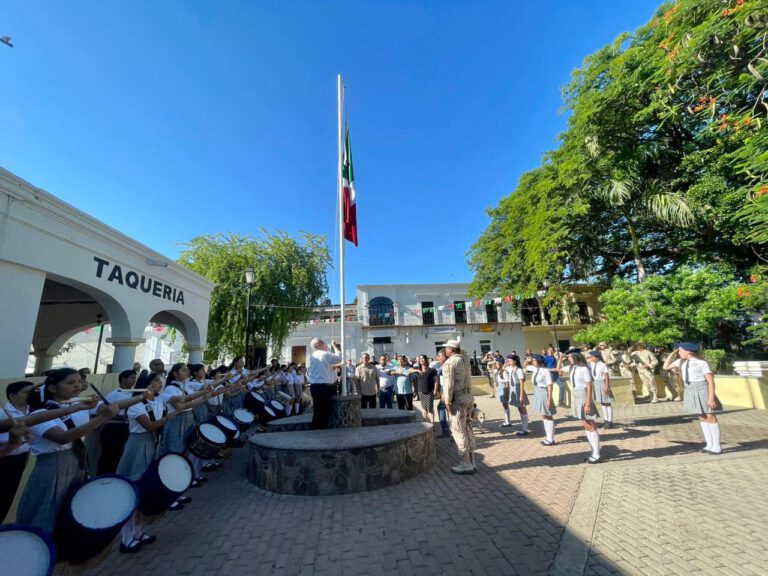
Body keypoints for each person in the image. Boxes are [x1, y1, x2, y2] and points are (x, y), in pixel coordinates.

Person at [15, 368, 121, 534]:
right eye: (70, 383)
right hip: (53, 466)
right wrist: (104, 417)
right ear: (52, 388)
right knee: (47, 514)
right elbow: (64, 437)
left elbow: (114, 407)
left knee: (71, 513)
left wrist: (143, 396)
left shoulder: (78, 404)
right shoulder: (41, 413)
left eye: (79, 381)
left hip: (77, 462)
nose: (77, 386)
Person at [116, 373, 175, 553]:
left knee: (146, 487)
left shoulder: (157, 402)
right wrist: (171, 416)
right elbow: (150, 426)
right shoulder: (136, 405)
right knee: (133, 488)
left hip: (151, 443)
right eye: (153, 382)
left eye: (159, 381)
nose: (158, 384)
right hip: (138, 444)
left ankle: (139, 531)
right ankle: (126, 538)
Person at [663, 343, 722, 454]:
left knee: (710, 416)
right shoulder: (681, 361)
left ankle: (717, 446)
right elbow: (665, 367)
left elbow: (710, 381)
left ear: (688, 351)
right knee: (702, 417)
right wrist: (672, 354)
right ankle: (709, 444)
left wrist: (711, 398)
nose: (679, 353)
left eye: (680, 350)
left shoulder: (701, 363)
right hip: (690, 389)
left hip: (702, 389)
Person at [160, 363, 211, 488]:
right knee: (176, 450)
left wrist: (205, 396)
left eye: (187, 370)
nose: (187, 372)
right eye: (183, 370)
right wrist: (202, 397)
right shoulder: (170, 388)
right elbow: (180, 406)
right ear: (175, 373)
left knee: (190, 448)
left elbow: (192, 401)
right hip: (177, 421)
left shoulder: (187, 385)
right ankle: (173, 482)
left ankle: (189, 476)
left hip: (189, 418)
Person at [97, 369, 140, 474]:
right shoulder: (114, 394)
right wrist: (119, 416)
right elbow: (103, 411)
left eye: (135, 378)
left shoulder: (134, 394)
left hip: (127, 428)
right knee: (109, 456)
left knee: (121, 455)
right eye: (132, 378)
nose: (134, 380)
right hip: (113, 429)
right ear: (123, 379)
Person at [442, 340, 475, 473]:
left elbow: (448, 385)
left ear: (451, 349)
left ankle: (466, 463)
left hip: (457, 399)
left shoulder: (450, 362)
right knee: (467, 427)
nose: (445, 350)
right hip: (467, 396)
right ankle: (472, 461)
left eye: (447, 348)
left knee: (458, 430)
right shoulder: (465, 360)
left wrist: (448, 402)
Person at [564, 349, 601, 463]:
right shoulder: (573, 368)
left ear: (575, 356)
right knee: (586, 425)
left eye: (570, 356)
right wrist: (561, 358)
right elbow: (557, 369)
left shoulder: (584, 369)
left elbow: (589, 387)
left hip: (584, 396)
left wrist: (588, 403)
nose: (568, 358)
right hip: (576, 396)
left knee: (591, 425)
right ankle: (593, 451)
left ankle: (596, 454)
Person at [307, 338, 342, 429]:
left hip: (315, 386)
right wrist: (335, 346)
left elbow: (323, 368)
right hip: (324, 387)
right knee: (325, 411)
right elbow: (339, 358)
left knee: (318, 411)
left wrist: (332, 367)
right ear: (318, 345)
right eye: (322, 342)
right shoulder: (324, 354)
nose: (325, 343)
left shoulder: (313, 355)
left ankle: (317, 429)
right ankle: (322, 431)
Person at [529, 354, 557, 445]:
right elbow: (526, 365)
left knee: (548, 415)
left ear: (539, 361)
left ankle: (551, 438)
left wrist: (549, 399)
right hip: (537, 392)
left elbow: (549, 385)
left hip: (544, 392)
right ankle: (548, 437)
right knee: (543, 415)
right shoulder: (535, 370)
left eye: (534, 360)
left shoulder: (545, 371)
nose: (532, 362)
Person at [588, 351, 615, 429]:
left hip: (602, 383)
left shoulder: (602, 365)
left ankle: (610, 421)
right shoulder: (591, 364)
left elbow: (606, 376)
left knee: (607, 403)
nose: (591, 358)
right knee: (602, 403)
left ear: (597, 357)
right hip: (596, 383)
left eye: (592, 357)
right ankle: (606, 420)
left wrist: (607, 386)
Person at [505, 355, 530, 435]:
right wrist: (506, 363)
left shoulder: (519, 370)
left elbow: (522, 383)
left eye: (510, 360)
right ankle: (523, 427)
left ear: (515, 361)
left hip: (518, 388)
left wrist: (521, 395)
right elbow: (502, 369)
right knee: (519, 408)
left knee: (522, 408)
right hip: (513, 388)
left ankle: (525, 429)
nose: (508, 362)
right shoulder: (510, 369)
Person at [431, 349, 451, 438]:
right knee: (444, 408)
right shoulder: (443, 365)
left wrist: (444, 392)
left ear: (445, 356)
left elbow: (449, 381)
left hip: (448, 390)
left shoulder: (447, 366)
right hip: (444, 389)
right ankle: (448, 430)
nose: (437, 358)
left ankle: (448, 431)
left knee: (445, 409)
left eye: (439, 356)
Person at [414, 354, 438, 424]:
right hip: (421, 392)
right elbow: (409, 370)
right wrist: (417, 370)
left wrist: (435, 390)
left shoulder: (432, 370)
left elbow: (436, 381)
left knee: (430, 408)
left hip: (429, 392)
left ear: (426, 360)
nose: (421, 359)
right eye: (420, 358)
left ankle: (432, 423)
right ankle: (424, 422)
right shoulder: (417, 370)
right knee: (423, 408)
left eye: (422, 358)